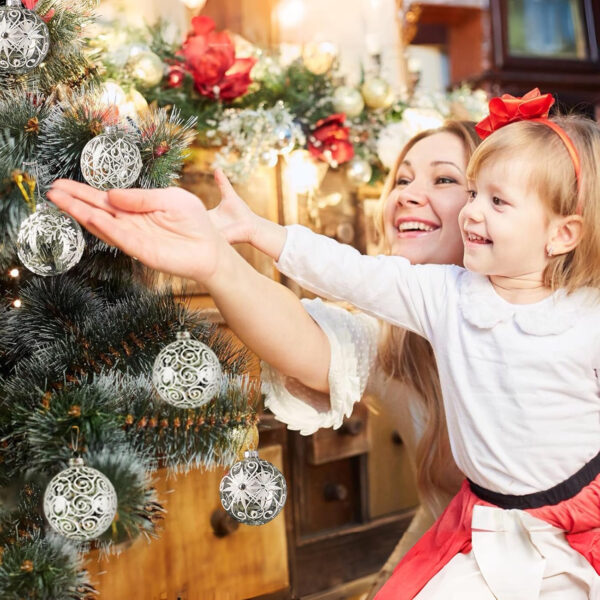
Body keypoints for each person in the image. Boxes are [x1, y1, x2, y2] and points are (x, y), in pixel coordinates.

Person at [47, 89, 600, 597]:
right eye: (402, 180)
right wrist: (221, 257)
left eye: (446, 180)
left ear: (558, 230)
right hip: (467, 543)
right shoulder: (426, 306)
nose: (410, 195)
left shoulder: (580, 313)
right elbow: (337, 290)